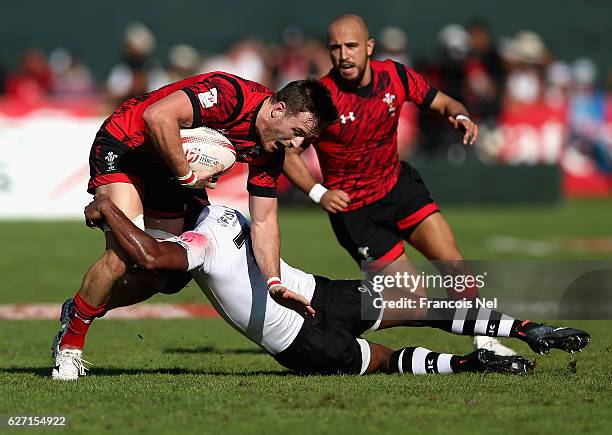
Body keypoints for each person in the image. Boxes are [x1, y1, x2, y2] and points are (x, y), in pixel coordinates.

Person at [51, 193, 590, 380]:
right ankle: (473, 364)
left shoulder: (216, 214)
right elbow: (146, 255)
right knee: (384, 360)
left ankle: (524, 327)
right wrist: (111, 215)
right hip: (296, 340)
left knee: (418, 304)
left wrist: (104, 211)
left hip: (314, 291)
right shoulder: (198, 242)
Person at [51, 71, 338, 379]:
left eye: (305, 140)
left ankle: (80, 308)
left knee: (162, 274)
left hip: (171, 170)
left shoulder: (269, 151)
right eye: (297, 131)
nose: (296, 144)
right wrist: (187, 176)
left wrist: (274, 282)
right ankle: (70, 346)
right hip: (126, 147)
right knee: (122, 256)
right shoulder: (230, 95)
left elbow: (264, 219)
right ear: (278, 109)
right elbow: (157, 115)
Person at [282, 15, 514, 355]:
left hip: (399, 187)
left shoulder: (395, 75)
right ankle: (337, 325)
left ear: (369, 47)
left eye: (351, 46)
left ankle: (484, 340)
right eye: (335, 48)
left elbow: (444, 102)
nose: (344, 55)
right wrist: (318, 192)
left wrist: (461, 116)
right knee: (413, 301)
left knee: (451, 261)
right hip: (357, 214)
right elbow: (288, 155)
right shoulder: (321, 98)